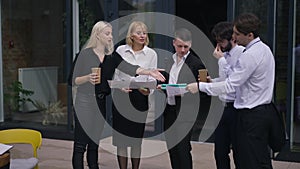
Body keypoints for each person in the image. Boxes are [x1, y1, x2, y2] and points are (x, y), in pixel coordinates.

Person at [186, 13, 276, 169]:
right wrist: (211, 83)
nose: (234, 37)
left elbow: (230, 85)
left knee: (249, 159)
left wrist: (200, 86)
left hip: (250, 114)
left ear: (249, 35)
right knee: (254, 157)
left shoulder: (248, 55)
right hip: (254, 111)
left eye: (237, 34)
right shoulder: (263, 49)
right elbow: (229, 81)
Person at [71, 21, 165, 169]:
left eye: (111, 33)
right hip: (85, 102)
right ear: (97, 35)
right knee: (80, 144)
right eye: (107, 33)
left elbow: (129, 68)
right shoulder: (84, 55)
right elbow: (72, 80)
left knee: (94, 143)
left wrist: (149, 72)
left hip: (100, 103)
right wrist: (87, 78)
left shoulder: (111, 56)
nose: (110, 36)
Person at [159, 28, 210, 169]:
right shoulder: (168, 61)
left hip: (186, 112)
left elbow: (203, 91)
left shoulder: (196, 64)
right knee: (172, 148)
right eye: (179, 46)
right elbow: (166, 82)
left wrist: (187, 92)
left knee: (182, 149)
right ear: (173, 43)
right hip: (170, 109)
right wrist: (162, 87)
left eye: (186, 47)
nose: (182, 50)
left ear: (191, 44)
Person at [112, 21, 157, 169]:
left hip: (140, 97)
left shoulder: (151, 54)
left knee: (136, 140)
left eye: (144, 32)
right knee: (121, 140)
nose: (142, 35)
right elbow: (115, 76)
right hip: (121, 97)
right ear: (131, 35)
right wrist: (120, 87)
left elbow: (152, 77)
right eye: (139, 32)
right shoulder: (120, 51)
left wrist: (148, 89)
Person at [210, 21, 244, 169]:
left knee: (238, 150)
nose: (220, 45)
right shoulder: (225, 55)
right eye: (217, 42)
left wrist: (222, 60)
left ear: (232, 38)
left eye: (222, 41)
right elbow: (224, 81)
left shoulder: (242, 53)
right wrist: (212, 82)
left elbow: (234, 82)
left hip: (236, 107)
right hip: (222, 106)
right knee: (220, 150)